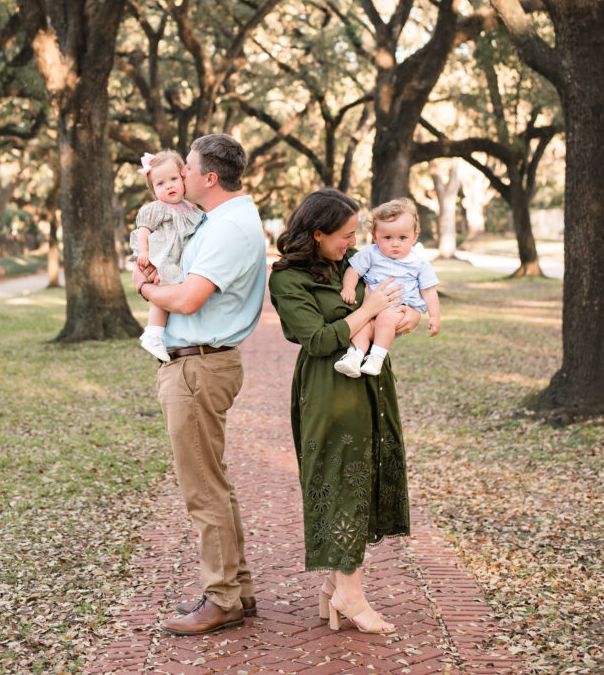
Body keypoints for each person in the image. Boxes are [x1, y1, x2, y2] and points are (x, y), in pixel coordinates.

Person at [268, 189, 419, 635]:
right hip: (328, 389)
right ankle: (351, 596)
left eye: (355, 234)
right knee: (338, 484)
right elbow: (315, 339)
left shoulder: (352, 262)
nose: (352, 243)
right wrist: (369, 309)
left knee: (362, 479)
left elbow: (394, 297)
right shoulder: (286, 279)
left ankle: (334, 587)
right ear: (317, 234)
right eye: (344, 236)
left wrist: (404, 314)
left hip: (370, 384)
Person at [133, 134, 267, 636]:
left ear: (209, 178)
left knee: (203, 489)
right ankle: (239, 588)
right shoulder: (218, 221)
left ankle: (223, 599)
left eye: (187, 168)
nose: (180, 175)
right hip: (199, 363)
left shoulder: (229, 228)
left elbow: (187, 300)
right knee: (216, 482)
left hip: (198, 366)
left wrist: (144, 287)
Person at [335, 197, 440, 378]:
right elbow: (353, 271)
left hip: (398, 308)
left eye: (403, 238)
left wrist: (435, 316)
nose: (395, 243)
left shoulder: (419, 262)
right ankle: (354, 357)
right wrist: (349, 288)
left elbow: (429, 290)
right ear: (375, 237)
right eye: (388, 238)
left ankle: (376, 358)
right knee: (362, 327)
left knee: (385, 317)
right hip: (371, 309)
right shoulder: (371, 253)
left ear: (414, 237)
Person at [131, 149, 205, 362]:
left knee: (174, 294)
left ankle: (159, 333)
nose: (169, 185)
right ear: (154, 190)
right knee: (164, 294)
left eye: (173, 179)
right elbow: (142, 231)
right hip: (161, 258)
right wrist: (144, 254)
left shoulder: (190, 209)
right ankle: (153, 334)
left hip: (178, 260)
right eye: (160, 183)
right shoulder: (155, 209)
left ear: (183, 178)